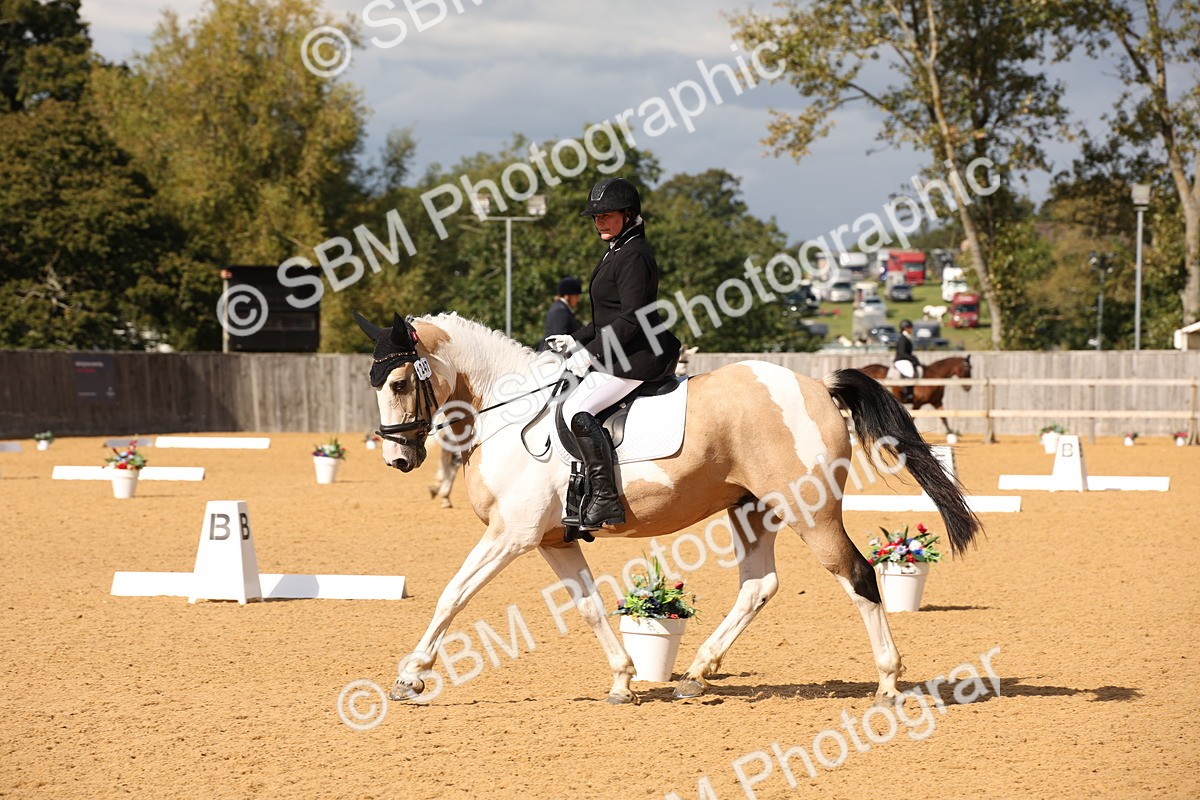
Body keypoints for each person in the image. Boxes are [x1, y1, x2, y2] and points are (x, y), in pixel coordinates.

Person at [544, 176, 681, 533]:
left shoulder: (634, 254)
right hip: (621, 350)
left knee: (577, 409)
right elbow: (604, 317)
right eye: (596, 216)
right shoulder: (619, 250)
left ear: (628, 214)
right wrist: (573, 340)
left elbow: (632, 317)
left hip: (637, 356)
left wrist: (589, 355)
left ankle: (605, 498)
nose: (599, 221)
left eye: (606, 215)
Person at [538, 277, 583, 349]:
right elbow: (560, 339)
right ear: (567, 296)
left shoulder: (561, 307)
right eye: (576, 296)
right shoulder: (561, 311)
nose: (578, 300)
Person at [894, 319, 922, 404]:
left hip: (905, 359)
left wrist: (913, 358)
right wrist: (913, 358)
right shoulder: (903, 339)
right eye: (910, 328)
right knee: (910, 372)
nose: (911, 330)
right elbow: (902, 353)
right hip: (901, 360)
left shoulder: (906, 338)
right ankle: (907, 393)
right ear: (906, 328)